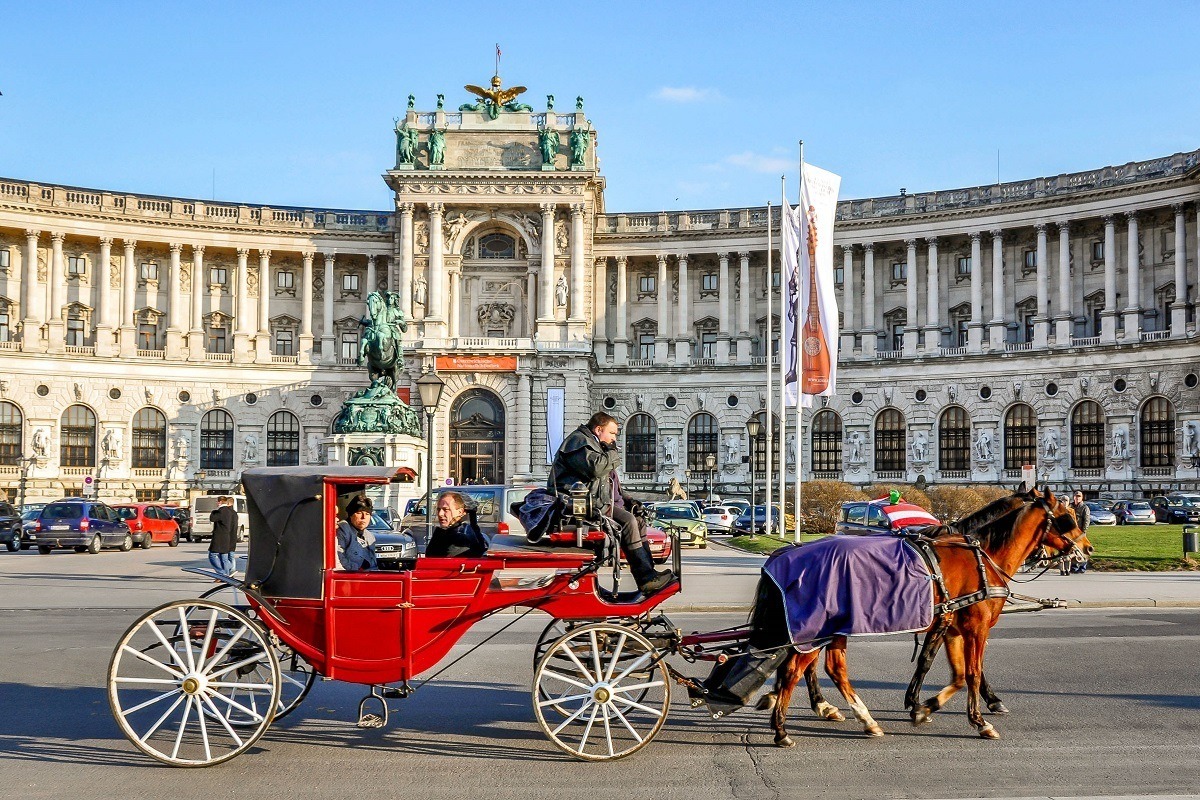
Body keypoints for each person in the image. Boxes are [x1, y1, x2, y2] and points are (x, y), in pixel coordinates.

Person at [550, 411, 675, 596]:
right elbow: (597, 469)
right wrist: (612, 452)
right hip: (580, 507)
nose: (615, 438)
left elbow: (610, 483)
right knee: (628, 521)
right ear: (598, 429)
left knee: (638, 520)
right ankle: (646, 579)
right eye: (612, 433)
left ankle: (650, 576)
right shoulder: (579, 443)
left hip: (596, 503)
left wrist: (628, 500)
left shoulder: (595, 445)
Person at [425, 491, 489, 558]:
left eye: (446, 509)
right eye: (438, 509)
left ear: (460, 512)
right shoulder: (460, 531)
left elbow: (434, 558)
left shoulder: (461, 535)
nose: (440, 514)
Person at [336, 493, 378, 571]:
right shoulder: (343, 529)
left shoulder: (370, 536)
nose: (364, 517)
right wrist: (356, 569)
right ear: (351, 515)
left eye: (367, 514)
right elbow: (339, 558)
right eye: (359, 513)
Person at [208, 496, 238, 577]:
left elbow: (212, 518)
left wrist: (214, 511)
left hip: (219, 537)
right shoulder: (230, 511)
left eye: (217, 502)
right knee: (224, 557)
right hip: (227, 536)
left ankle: (222, 573)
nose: (217, 503)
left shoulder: (221, 511)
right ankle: (228, 573)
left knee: (212, 555)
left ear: (220, 502)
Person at [1068, 491, 1091, 575]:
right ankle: (1074, 567)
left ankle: (1082, 567)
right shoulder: (1070, 506)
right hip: (1071, 533)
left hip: (1080, 532)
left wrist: (1083, 532)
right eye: (1076, 496)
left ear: (1082, 498)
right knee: (1073, 550)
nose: (1077, 498)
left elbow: (1086, 520)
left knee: (1083, 550)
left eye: (1079, 496)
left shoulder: (1084, 508)